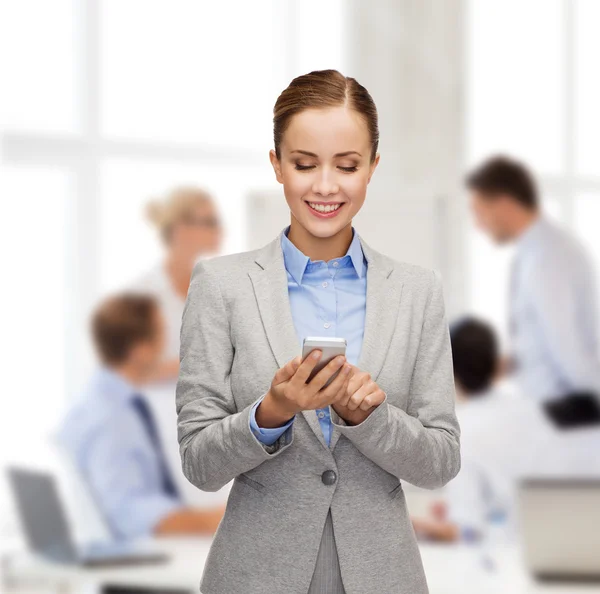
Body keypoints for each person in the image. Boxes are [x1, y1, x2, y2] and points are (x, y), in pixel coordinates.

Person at [176, 69, 461, 594]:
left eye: (347, 165)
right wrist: (270, 414)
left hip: (383, 575)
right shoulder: (221, 285)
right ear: (277, 166)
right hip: (255, 574)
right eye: (304, 164)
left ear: (373, 167)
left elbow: (441, 461)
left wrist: (369, 419)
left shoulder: (417, 291)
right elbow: (198, 461)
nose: (326, 185)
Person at [57, 293, 225, 540]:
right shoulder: (113, 418)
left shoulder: (99, 403)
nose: (167, 345)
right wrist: (222, 518)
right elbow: (130, 513)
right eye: (161, 335)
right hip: (136, 564)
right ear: (140, 351)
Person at [466, 155, 600, 427]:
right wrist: (506, 364)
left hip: (565, 416)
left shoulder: (548, 257)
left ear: (503, 204)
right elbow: (546, 336)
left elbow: (568, 346)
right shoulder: (536, 252)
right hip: (553, 412)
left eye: (480, 212)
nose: (478, 225)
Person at [412, 317, 547, 543]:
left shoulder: (459, 432)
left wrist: (418, 526)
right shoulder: (529, 411)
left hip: (499, 560)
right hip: (542, 545)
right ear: (496, 363)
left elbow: (468, 531)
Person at [130, 186, 223, 383]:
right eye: (210, 222)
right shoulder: (143, 293)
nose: (219, 230)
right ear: (180, 229)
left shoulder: (213, 284)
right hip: (156, 407)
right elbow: (132, 372)